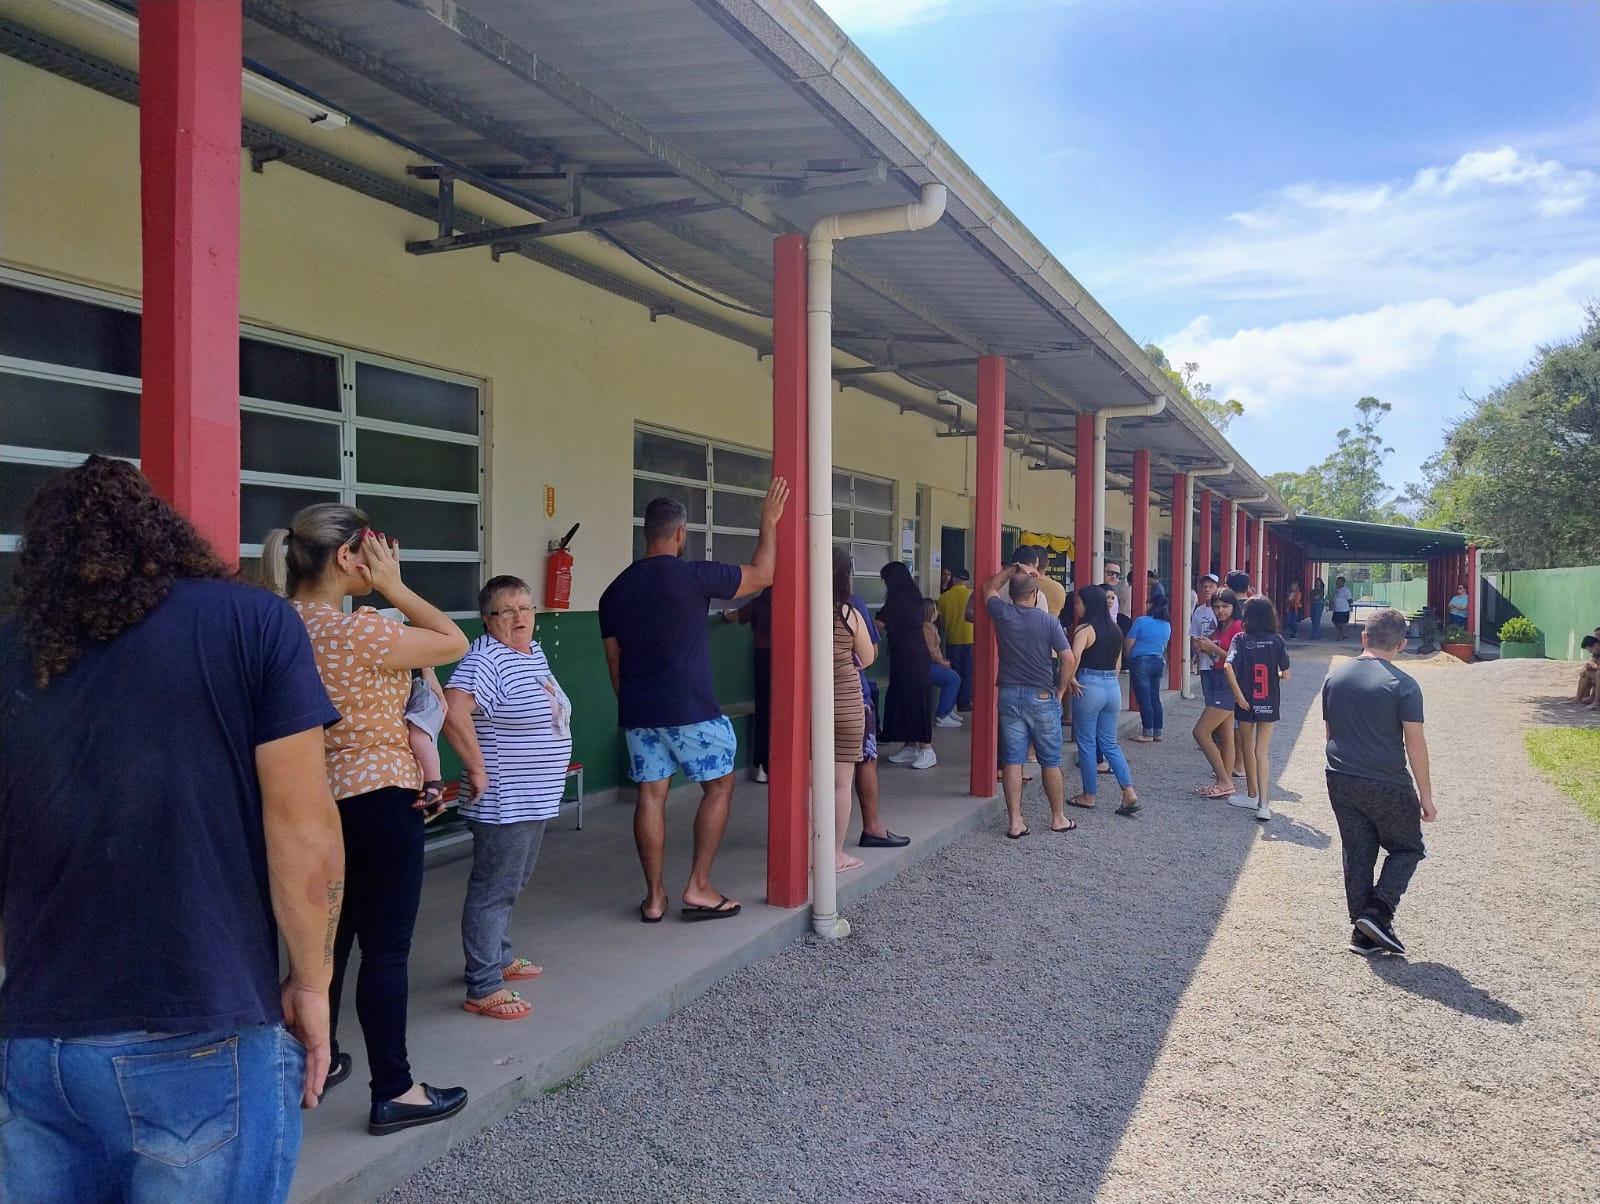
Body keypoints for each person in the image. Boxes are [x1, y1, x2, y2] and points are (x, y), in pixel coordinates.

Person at [0, 458, 344, 1201]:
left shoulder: (11, 653)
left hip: (36, 1042)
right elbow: (304, 831)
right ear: (163, 531)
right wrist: (313, 984)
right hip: (199, 1029)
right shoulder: (254, 623)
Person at [264, 505, 470, 1136]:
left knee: (324, 946)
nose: (381, 559)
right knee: (387, 949)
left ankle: (311, 1066)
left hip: (311, 804)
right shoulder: (360, 631)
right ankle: (395, 1089)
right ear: (350, 557)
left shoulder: (275, 623)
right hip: (381, 799)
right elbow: (454, 642)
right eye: (373, 550)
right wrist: (394, 586)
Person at [600, 480, 789, 923]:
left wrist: (635, 705)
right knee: (719, 786)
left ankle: (654, 898)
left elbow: (615, 662)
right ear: (680, 534)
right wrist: (768, 523)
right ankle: (699, 886)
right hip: (691, 707)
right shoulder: (694, 575)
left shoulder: (614, 592)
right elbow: (764, 575)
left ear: (646, 534)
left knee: (651, 797)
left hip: (640, 711)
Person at [442, 576, 573, 1022]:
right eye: (507, 611)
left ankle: (497, 956)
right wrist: (476, 768)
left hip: (533, 798)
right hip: (504, 799)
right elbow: (453, 709)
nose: (519, 618)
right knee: (493, 891)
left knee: (511, 884)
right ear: (487, 619)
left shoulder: (530, 652)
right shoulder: (485, 659)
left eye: (526, 608)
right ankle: (483, 985)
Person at [1322, 607, 1435, 957]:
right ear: (1401, 644)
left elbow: (1330, 731)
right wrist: (1426, 796)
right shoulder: (1403, 684)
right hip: (1386, 780)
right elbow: (1414, 743)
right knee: (1408, 847)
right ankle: (1378, 911)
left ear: (1363, 638)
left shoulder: (1335, 677)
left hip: (1339, 775)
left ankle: (1363, 933)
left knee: (1357, 852)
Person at [980, 566, 1075, 838]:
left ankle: (1015, 822)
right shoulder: (1048, 622)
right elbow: (1068, 658)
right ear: (1035, 594)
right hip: (1042, 694)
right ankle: (1058, 818)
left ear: (1011, 594)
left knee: (1012, 760)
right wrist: (1060, 690)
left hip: (1009, 693)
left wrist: (1012, 570)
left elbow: (988, 587)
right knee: (1051, 760)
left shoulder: (1003, 613)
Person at [1066, 585, 1140, 816]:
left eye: (1079, 602)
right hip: (1111, 686)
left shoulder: (1085, 629)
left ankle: (1089, 795)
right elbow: (1118, 664)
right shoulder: (1115, 629)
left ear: (1088, 604)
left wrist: (1070, 680)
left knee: (1087, 744)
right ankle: (1128, 792)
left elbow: (1074, 656)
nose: (1076, 606)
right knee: (1110, 743)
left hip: (1089, 685)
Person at [848, 584, 910, 851]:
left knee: (818, 773)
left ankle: (809, 838)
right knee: (864, 762)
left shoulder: (798, 597)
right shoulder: (852, 605)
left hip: (804, 696)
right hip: (851, 696)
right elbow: (869, 655)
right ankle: (872, 827)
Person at [831, 549, 879, 872]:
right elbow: (868, 657)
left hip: (807, 705)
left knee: (809, 783)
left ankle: (808, 850)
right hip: (847, 703)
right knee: (839, 783)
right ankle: (832, 854)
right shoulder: (848, 613)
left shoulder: (800, 607)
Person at [1224, 596, 1291, 822]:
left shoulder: (1241, 639)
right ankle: (1264, 804)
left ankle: (1251, 794)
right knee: (1262, 751)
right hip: (1269, 701)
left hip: (1246, 702)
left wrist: (1238, 694)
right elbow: (1286, 674)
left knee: (1246, 745)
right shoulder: (1277, 640)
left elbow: (1228, 666)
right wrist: (1276, 674)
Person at [878, 561, 936, 769]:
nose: (885, 583)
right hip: (907, 656)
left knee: (916, 700)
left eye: (886, 579)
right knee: (904, 699)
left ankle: (927, 749)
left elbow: (881, 622)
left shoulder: (898, 597)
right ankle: (910, 745)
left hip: (911, 658)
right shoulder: (913, 595)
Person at [1192, 587, 1240, 799]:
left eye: (1225, 606)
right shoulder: (1221, 627)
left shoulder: (1238, 626)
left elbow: (1236, 658)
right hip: (1217, 680)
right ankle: (1224, 781)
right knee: (1225, 735)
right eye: (1216, 607)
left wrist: (1212, 647)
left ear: (1234, 607)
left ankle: (1223, 780)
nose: (1220, 611)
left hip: (1227, 684)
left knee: (1201, 732)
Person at [722, 587, 772, 782]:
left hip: (763, 660)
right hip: (789, 659)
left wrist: (726, 614)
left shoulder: (760, 602)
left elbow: (734, 616)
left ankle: (762, 767)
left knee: (764, 711)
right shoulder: (795, 598)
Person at [1125, 593, 1172, 743]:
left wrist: (1128, 657)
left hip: (1141, 660)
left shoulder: (1141, 621)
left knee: (1144, 699)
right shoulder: (1167, 625)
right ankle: (1157, 731)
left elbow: (1129, 643)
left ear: (1151, 604)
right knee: (1154, 697)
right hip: (1158, 661)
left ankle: (1147, 732)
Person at [936, 566, 975, 711]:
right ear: (966, 580)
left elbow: (940, 622)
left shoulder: (944, 598)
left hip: (952, 639)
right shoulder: (972, 595)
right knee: (968, 673)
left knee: (955, 673)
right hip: (971, 638)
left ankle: (952, 702)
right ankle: (964, 702)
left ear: (954, 578)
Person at [923, 598, 963, 728]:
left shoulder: (931, 626)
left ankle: (948, 709)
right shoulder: (926, 628)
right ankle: (942, 715)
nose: (937, 612)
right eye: (935, 609)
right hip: (928, 666)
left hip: (934, 664)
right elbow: (930, 652)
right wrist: (942, 663)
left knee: (954, 677)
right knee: (953, 679)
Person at [1571, 635, 1600, 705]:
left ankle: (1596, 702)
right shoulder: (1597, 652)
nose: (1590, 652)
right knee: (1585, 672)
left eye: (1590, 650)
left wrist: (1596, 667)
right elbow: (1592, 661)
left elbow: (1596, 666)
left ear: (1595, 645)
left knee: (1599, 673)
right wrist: (1585, 668)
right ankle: (1577, 699)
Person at [1331, 575, 1354, 640]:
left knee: (1343, 623)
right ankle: (1343, 633)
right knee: (1335, 622)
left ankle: (1340, 636)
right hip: (1336, 610)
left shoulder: (1346, 591)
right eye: (1337, 582)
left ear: (1343, 582)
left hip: (1344, 610)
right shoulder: (1336, 590)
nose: (1337, 583)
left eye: (1339, 582)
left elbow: (1350, 600)